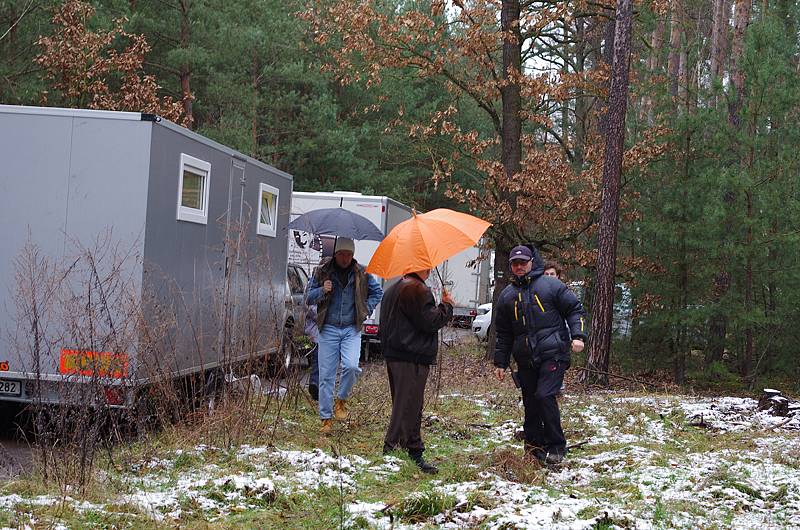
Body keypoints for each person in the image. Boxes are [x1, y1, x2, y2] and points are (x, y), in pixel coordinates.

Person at [493, 245, 587, 465]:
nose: (519, 267)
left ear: (531, 262)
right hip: (526, 358)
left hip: (554, 352)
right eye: (515, 263)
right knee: (531, 402)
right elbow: (504, 334)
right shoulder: (507, 296)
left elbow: (575, 309)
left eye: (522, 262)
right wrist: (500, 362)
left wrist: (578, 336)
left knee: (545, 395)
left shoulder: (551, 286)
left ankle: (556, 446)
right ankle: (534, 448)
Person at [379, 269, 454, 474]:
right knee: (407, 405)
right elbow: (430, 322)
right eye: (426, 265)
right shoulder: (416, 289)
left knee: (410, 404)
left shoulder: (394, 288)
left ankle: (413, 449)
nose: (429, 269)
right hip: (410, 355)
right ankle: (391, 448)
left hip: (396, 354)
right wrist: (446, 306)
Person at [306, 237, 383, 434]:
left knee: (351, 366)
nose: (346, 258)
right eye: (342, 254)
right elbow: (307, 297)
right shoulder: (322, 272)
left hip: (351, 328)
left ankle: (341, 400)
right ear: (336, 254)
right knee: (326, 376)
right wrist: (323, 290)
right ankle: (326, 420)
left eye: (349, 254)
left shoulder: (362, 272)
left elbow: (377, 293)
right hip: (328, 328)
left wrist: (366, 310)